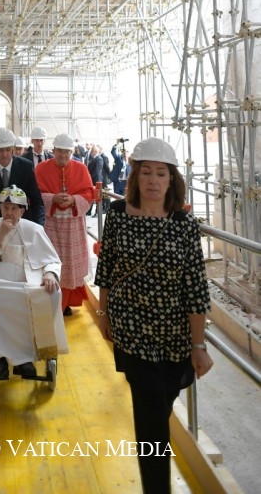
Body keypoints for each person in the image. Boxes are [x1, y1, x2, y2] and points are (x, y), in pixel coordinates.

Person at [94, 137, 213, 494]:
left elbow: (195, 288)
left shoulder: (184, 225)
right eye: (146, 172)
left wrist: (198, 344)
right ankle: (156, 487)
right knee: (149, 417)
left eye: (161, 173)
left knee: (161, 406)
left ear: (171, 180)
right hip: (132, 331)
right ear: (135, 178)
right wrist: (104, 312)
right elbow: (107, 268)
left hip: (174, 336)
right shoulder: (117, 217)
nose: (153, 180)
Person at [0, 185, 68, 381]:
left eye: (14, 208)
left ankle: (26, 358)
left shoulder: (35, 229)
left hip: (29, 282)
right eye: (6, 208)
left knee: (52, 293)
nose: (9, 213)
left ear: (22, 210)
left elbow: (52, 260)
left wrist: (49, 274)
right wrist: (0, 236)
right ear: (0, 208)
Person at [34, 133, 95, 316]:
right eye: (59, 151)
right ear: (53, 151)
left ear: (71, 152)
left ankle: (66, 303)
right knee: (51, 261)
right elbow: (35, 195)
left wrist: (74, 199)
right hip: (50, 224)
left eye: (66, 152)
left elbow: (89, 193)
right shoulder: (41, 168)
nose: (63, 156)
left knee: (70, 265)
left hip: (73, 225)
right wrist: (53, 198)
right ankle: (49, 301)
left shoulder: (81, 168)